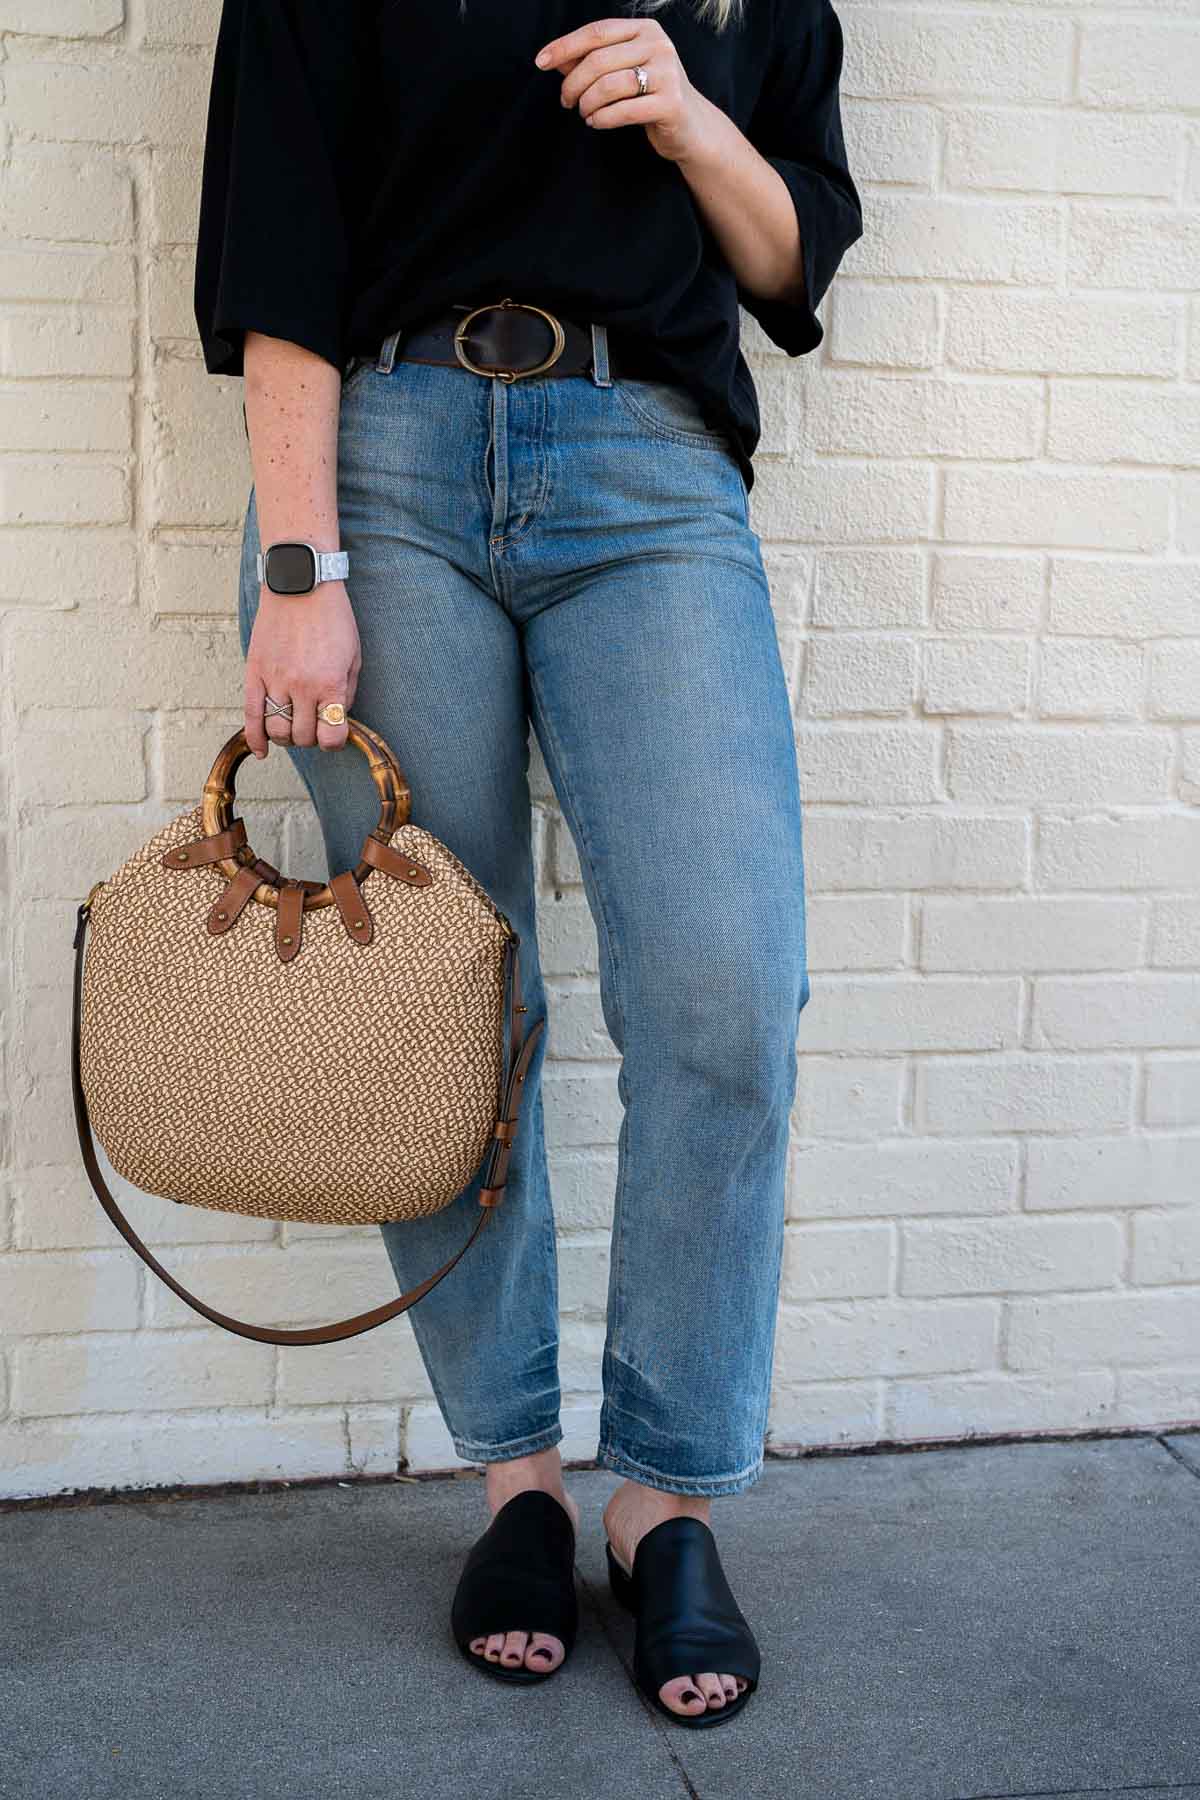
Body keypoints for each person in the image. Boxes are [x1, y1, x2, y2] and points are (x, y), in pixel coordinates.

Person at [194, 0, 860, 1729]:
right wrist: (295, 565)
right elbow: (281, 250)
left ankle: (665, 1500)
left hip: (649, 465)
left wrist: (695, 117)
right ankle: (518, 1483)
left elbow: (793, 264)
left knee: (727, 986)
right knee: (443, 1011)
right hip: (392, 467)